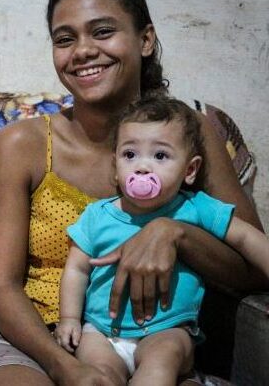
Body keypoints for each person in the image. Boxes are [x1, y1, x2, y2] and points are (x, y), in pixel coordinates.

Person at [0, 0, 265, 386]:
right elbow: (1, 289)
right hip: (31, 340)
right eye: (65, 39)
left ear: (145, 40)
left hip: (153, 345)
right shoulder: (23, 144)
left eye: (102, 32)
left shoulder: (190, 133)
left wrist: (174, 234)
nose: (83, 51)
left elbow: (253, 269)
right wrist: (66, 367)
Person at [56, 95, 269, 384]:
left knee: (160, 364)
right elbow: (77, 269)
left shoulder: (196, 208)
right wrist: (69, 318)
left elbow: (246, 238)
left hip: (168, 331)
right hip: (103, 331)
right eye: (130, 155)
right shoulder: (97, 215)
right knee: (97, 374)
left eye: (160, 156)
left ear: (189, 170)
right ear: (115, 167)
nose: (142, 167)